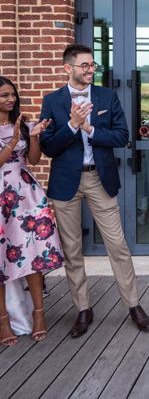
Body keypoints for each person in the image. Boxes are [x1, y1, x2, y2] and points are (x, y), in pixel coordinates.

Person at [39, 44, 149, 338]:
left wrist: (89, 128)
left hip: (99, 180)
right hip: (65, 183)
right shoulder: (52, 101)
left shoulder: (106, 96)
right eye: (84, 66)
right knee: (73, 250)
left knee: (117, 244)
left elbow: (122, 136)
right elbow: (49, 146)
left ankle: (133, 304)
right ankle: (83, 308)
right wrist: (72, 126)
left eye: (93, 66)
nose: (90, 70)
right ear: (68, 68)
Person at [0, 76, 64, 346]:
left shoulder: (24, 124)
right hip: (1, 194)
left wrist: (33, 136)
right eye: (4, 95)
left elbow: (34, 160)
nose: (10, 100)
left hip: (26, 195)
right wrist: (13, 141)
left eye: (12, 94)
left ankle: (39, 315)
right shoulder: (14, 130)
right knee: (1, 258)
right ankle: (3, 322)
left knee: (33, 254)